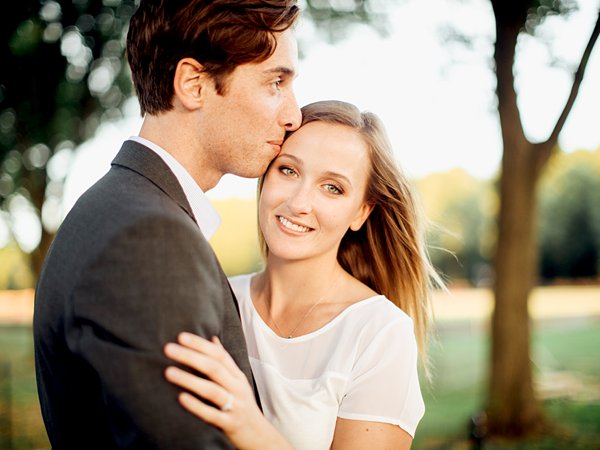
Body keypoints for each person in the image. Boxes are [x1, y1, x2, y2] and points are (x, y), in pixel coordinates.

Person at [33, 0, 301, 448]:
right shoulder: (148, 238)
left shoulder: (116, 208)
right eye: (275, 82)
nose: (293, 115)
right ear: (193, 83)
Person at [164, 100, 442, 450]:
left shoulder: (379, 333)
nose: (298, 202)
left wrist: (249, 427)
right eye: (288, 171)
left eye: (332, 188)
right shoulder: (214, 300)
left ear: (361, 212)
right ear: (265, 177)